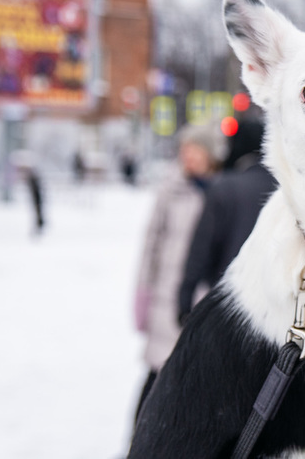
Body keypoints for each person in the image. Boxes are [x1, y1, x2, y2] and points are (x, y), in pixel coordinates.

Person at [133, 122, 226, 420]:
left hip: (204, 296)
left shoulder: (224, 192)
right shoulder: (170, 189)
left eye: (195, 150)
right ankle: (138, 443)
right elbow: (152, 241)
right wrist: (143, 291)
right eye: (184, 150)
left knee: (195, 380)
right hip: (166, 294)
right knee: (158, 375)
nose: (188, 157)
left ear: (210, 155)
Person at [177, 119, 277, 325]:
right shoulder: (286, 190)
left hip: (229, 303)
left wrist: (184, 301)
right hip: (277, 306)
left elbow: (200, 251)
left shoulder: (224, 188)